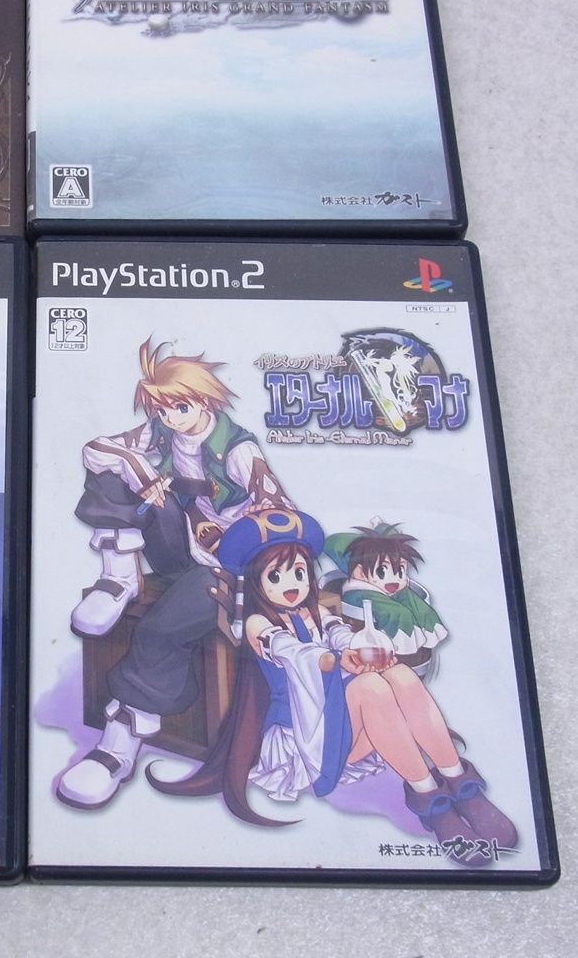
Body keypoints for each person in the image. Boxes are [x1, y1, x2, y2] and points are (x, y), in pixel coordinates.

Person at [147, 509, 516, 868]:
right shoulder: (258, 623)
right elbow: (290, 651)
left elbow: (340, 635)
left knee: (401, 675)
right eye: (276, 576)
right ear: (257, 580)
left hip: (340, 720)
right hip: (306, 733)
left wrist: (361, 651)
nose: (291, 584)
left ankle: (460, 783)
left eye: (299, 572)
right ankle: (428, 798)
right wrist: (334, 661)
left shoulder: (316, 613)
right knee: (370, 687)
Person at [56, 340, 291, 810]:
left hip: (228, 569)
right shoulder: (160, 431)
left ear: (204, 401)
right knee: (114, 474)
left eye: (180, 408)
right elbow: (96, 450)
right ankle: (119, 579)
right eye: (162, 410)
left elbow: (281, 517)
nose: (171, 418)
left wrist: (234, 538)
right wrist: (141, 471)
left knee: (158, 630)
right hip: (179, 547)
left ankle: (116, 752)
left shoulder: (238, 450)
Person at [323, 521, 448, 669]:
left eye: (400, 571)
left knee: (420, 607)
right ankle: (406, 654)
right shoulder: (358, 593)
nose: (394, 580)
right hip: (376, 655)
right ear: (360, 572)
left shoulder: (395, 588)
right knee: (398, 612)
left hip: (410, 661)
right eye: (381, 571)